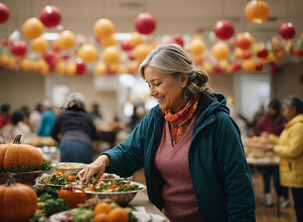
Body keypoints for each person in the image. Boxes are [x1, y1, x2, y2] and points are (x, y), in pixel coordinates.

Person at [78, 44, 255, 221]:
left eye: (157, 84)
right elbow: (129, 152)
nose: (151, 92)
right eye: (148, 85)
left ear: (183, 79)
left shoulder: (219, 124)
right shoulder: (156, 118)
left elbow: (239, 190)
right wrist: (105, 159)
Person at [265, 96, 303, 222]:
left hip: (298, 173)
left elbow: (293, 150)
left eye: (286, 109)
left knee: (300, 206)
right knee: (298, 206)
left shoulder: (298, 126)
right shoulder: (292, 125)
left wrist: (274, 149)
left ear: (294, 110)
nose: (284, 113)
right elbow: (284, 143)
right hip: (295, 172)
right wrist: (271, 138)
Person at [253, 99, 289, 207]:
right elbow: (256, 129)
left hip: (277, 152)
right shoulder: (265, 119)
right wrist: (260, 134)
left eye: (272, 109)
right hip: (266, 152)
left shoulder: (283, 120)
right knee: (265, 175)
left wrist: (270, 136)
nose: (270, 111)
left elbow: (285, 138)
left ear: (277, 110)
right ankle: (268, 196)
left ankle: (284, 197)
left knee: (279, 178)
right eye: (269, 109)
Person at [51, 92, 99, 164]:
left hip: (66, 145)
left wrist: (60, 140)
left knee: (65, 174)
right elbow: (96, 137)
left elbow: (53, 133)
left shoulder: (62, 115)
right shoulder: (87, 117)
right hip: (84, 146)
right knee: (85, 173)